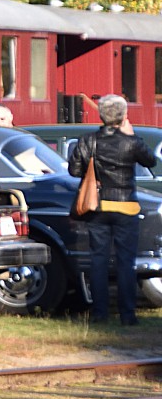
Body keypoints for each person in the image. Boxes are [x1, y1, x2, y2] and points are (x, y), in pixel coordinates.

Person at [66, 93, 157, 325]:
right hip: (126, 206)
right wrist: (132, 135)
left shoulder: (88, 140)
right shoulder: (131, 141)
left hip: (97, 206)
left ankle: (100, 313)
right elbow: (150, 161)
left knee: (99, 260)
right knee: (126, 261)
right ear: (124, 115)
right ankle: (128, 315)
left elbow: (74, 171)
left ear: (101, 115)